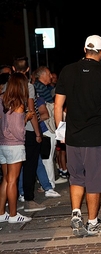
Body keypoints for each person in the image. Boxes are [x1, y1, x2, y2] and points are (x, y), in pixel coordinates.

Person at [54, 35, 101, 236]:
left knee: (76, 178)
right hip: (96, 137)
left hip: (73, 136)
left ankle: (75, 213)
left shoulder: (67, 70)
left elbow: (58, 104)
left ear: (84, 49)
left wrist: (60, 130)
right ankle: (92, 222)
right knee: (95, 181)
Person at [11, 56, 46, 212]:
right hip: (28, 130)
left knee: (10, 169)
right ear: (27, 70)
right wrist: (38, 133)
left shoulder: (6, 87)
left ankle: (9, 204)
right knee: (30, 165)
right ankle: (29, 199)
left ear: (13, 69)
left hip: (10, 131)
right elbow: (31, 111)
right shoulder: (28, 86)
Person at [0, 73, 34, 223]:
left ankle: (1, 213)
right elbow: (18, 131)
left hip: (3, 144)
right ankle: (13, 215)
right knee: (13, 180)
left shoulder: (2, 100)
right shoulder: (19, 104)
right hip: (14, 145)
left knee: (6, 180)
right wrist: (26, 118)